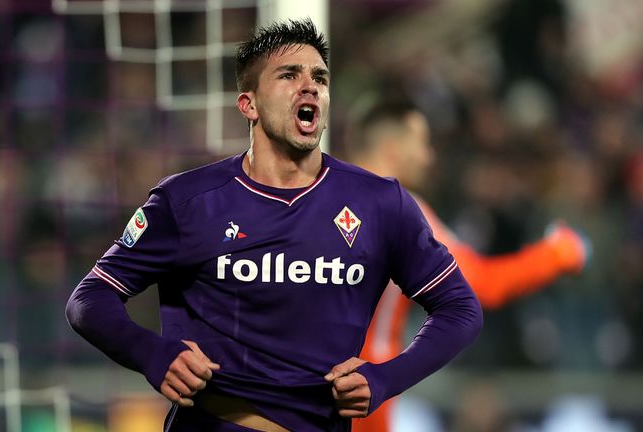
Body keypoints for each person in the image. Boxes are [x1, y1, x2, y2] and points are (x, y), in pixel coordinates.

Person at [66, 19, 483, 431]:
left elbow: (461, 308)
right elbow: (89, 300)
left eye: (319, 77)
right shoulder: (188, 201)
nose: (310, 86)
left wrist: (386, 378)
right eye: (289, 75)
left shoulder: (380, 202)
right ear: (249, 103)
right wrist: (152, 354)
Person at [344, 92, 589, 432]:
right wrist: (558, 253)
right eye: (423, 143)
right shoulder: (400, 209)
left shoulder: (313, 198)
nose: (429, 156)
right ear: (393, 149)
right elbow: (483, 284)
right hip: (362, 392)